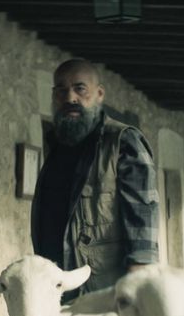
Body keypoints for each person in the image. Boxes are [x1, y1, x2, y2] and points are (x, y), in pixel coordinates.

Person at [31, 58, 158, 296]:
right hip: (58, 287)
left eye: (80, 89)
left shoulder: (123, 140)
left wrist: (136, 282)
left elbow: (143, 212)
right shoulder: (56, 146)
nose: (70, 98)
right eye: (61, 90)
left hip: (106, 289)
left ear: (99, 94)